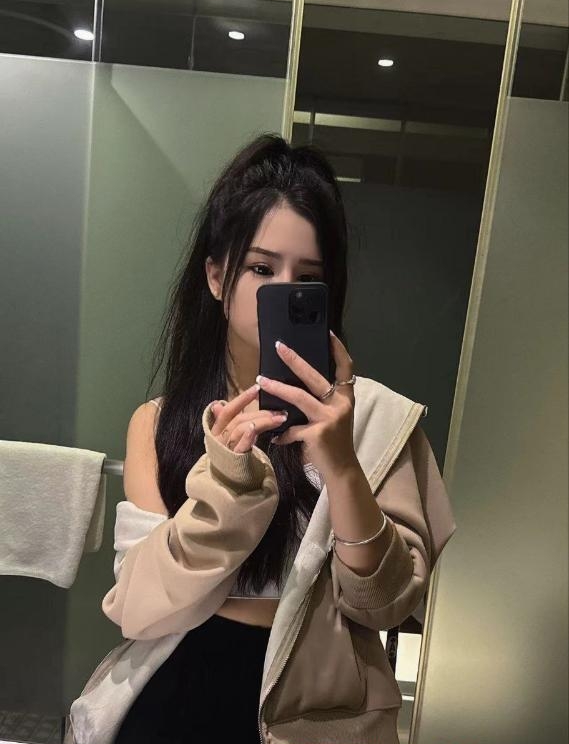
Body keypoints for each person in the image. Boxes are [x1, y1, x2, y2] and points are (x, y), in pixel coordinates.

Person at [66, 133, 456, 744]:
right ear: (216, 277)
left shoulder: (379, 422)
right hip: (176, 685)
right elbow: (139, 611)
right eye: (261, 269)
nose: (283, 289)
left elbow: (384, 606)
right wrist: (225, 486)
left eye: (308, 276)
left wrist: (342, 467)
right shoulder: (162, 422)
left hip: (316, 704)